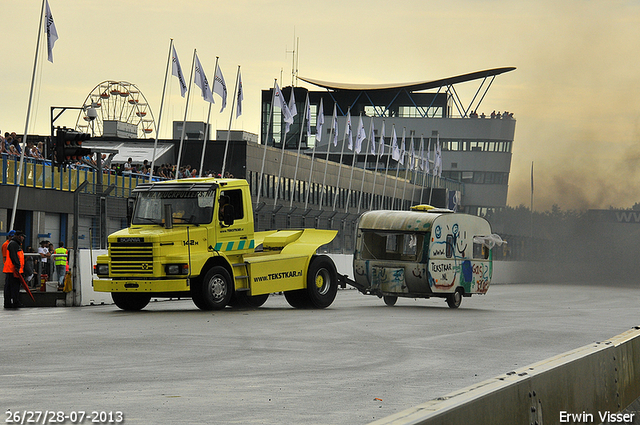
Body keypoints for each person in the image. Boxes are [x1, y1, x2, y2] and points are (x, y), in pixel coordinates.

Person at [4, 230, 25, 309]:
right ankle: (15, 302)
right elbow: (14, 256)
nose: (23, 238)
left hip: (11, 269)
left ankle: (8, 303)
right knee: (14, 287)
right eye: (22, 236)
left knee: (9, 287)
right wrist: (17, 266)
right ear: (18, 236)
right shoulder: (14, 244)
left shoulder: (15, 244)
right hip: (13, 270)